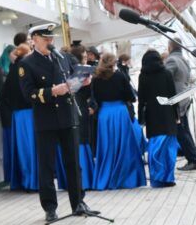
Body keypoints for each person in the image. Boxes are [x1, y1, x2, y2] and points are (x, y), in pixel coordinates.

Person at [18, 23, 99, 223]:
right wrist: (52, 91)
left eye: (52, 38)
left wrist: (82, 82)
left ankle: (79, 202)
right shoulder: (27, 64)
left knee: (73, 163)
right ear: (34, 39)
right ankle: (50, 208)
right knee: (47, 166)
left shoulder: (63, 58)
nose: (50, 42)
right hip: (45, 119)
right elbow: (28, 95)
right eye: (46, 39)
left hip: (67, 116)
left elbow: (73, 80)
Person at [91, 53, 145, 190]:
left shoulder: (96, 78)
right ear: (114, 62)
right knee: (124, 145)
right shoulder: (120, 76)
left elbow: (94, 98)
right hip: (120, 112)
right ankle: (126, 178)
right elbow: (131, 96)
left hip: (105, 114)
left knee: (107, 146)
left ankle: (107, 177)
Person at [137, 49, 179, 187]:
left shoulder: (143, 76)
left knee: (154, 146)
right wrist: (177, 114)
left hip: (152, 115)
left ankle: (156, 178)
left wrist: (141, 119)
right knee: (168, 148)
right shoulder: (166, 73)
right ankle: (168, 178)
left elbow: (141, 99)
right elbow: (173, 95)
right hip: (167, 113)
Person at [164, 39, 196, 171]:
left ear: (170, 47)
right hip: (184, 97)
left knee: (181, 131)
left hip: (177, 99)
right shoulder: (183, 59)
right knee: (185, 130)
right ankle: (193, 156)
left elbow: (165, 77)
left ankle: (193, 160)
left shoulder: (172, 60)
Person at [3, 43, 35, 190]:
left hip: (17, 115)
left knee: (23, 149)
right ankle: (35, 181)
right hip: (31, 113)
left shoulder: (11, 72)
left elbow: (5, 95)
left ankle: (26, 180)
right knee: (33, 148)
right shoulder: (27, 68)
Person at [0, 32, 26, 184]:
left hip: (11, 113)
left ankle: (14, 177)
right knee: (19, 146)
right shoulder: (11, 69)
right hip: (13, 114)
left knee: (16, 147)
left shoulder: (7, 68)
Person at [68, 42, 95, 190]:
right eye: (84, 57)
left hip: (82, 107)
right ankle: (84, 179)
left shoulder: (81, 71)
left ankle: (86, 179)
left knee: (83, 140)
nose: (86, 59)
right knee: (81, 140)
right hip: (79, 107)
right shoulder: (78, 72)